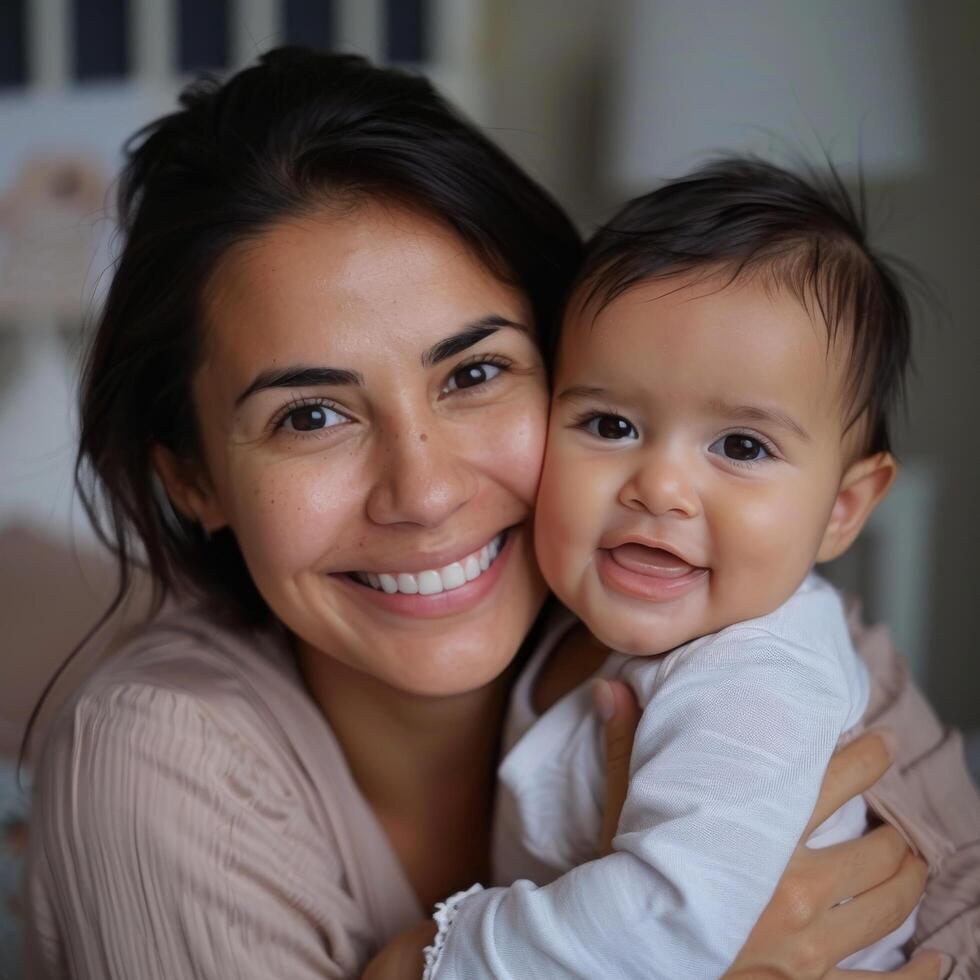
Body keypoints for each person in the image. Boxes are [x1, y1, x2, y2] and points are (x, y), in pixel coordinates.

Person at [22, 49, 972, 980]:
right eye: (310, 416)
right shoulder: (152, 757)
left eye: (475, 373)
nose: (425, 493)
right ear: (193, 479)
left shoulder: (744, 626)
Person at [417, 158, 950, 978]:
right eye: (610, 423)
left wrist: (435, 956)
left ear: (843, 508)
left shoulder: (754, 682)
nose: (661, 486)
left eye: (741, 446)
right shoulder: (564, 624)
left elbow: (668, 924)